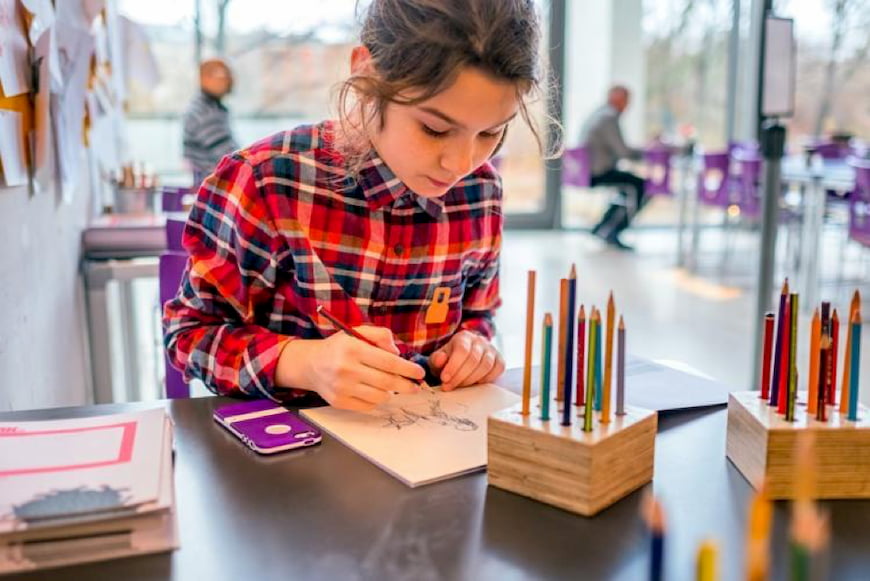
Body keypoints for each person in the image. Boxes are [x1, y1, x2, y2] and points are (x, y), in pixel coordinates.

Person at [163, 0, 554, 412]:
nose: (461, 164)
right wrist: (303, 363)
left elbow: (478, 317)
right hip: (288, 452)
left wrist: (473, 348)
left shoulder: (481, 192)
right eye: (434, 129)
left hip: (431, 447)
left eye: (491, 133)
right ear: (366, 74)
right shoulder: (268, 181)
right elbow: (189, 334)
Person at [580, 85, 647, 251]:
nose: (628, 105)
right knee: (641, 185)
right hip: (598, 173)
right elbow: (623, 152)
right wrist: (648, 152)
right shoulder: (609, 117)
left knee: (626, 186)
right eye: (627, 100)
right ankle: (614, 231)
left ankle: (602, 227)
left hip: (587, 171)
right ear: (618, 100)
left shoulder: (598, 114)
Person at [182, 58, 239, 185]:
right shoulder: (206, 113)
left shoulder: (206, 106)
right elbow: (229, 157)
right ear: (205, 79)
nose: (228, 80)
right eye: (221, 75)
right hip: (213, 186)